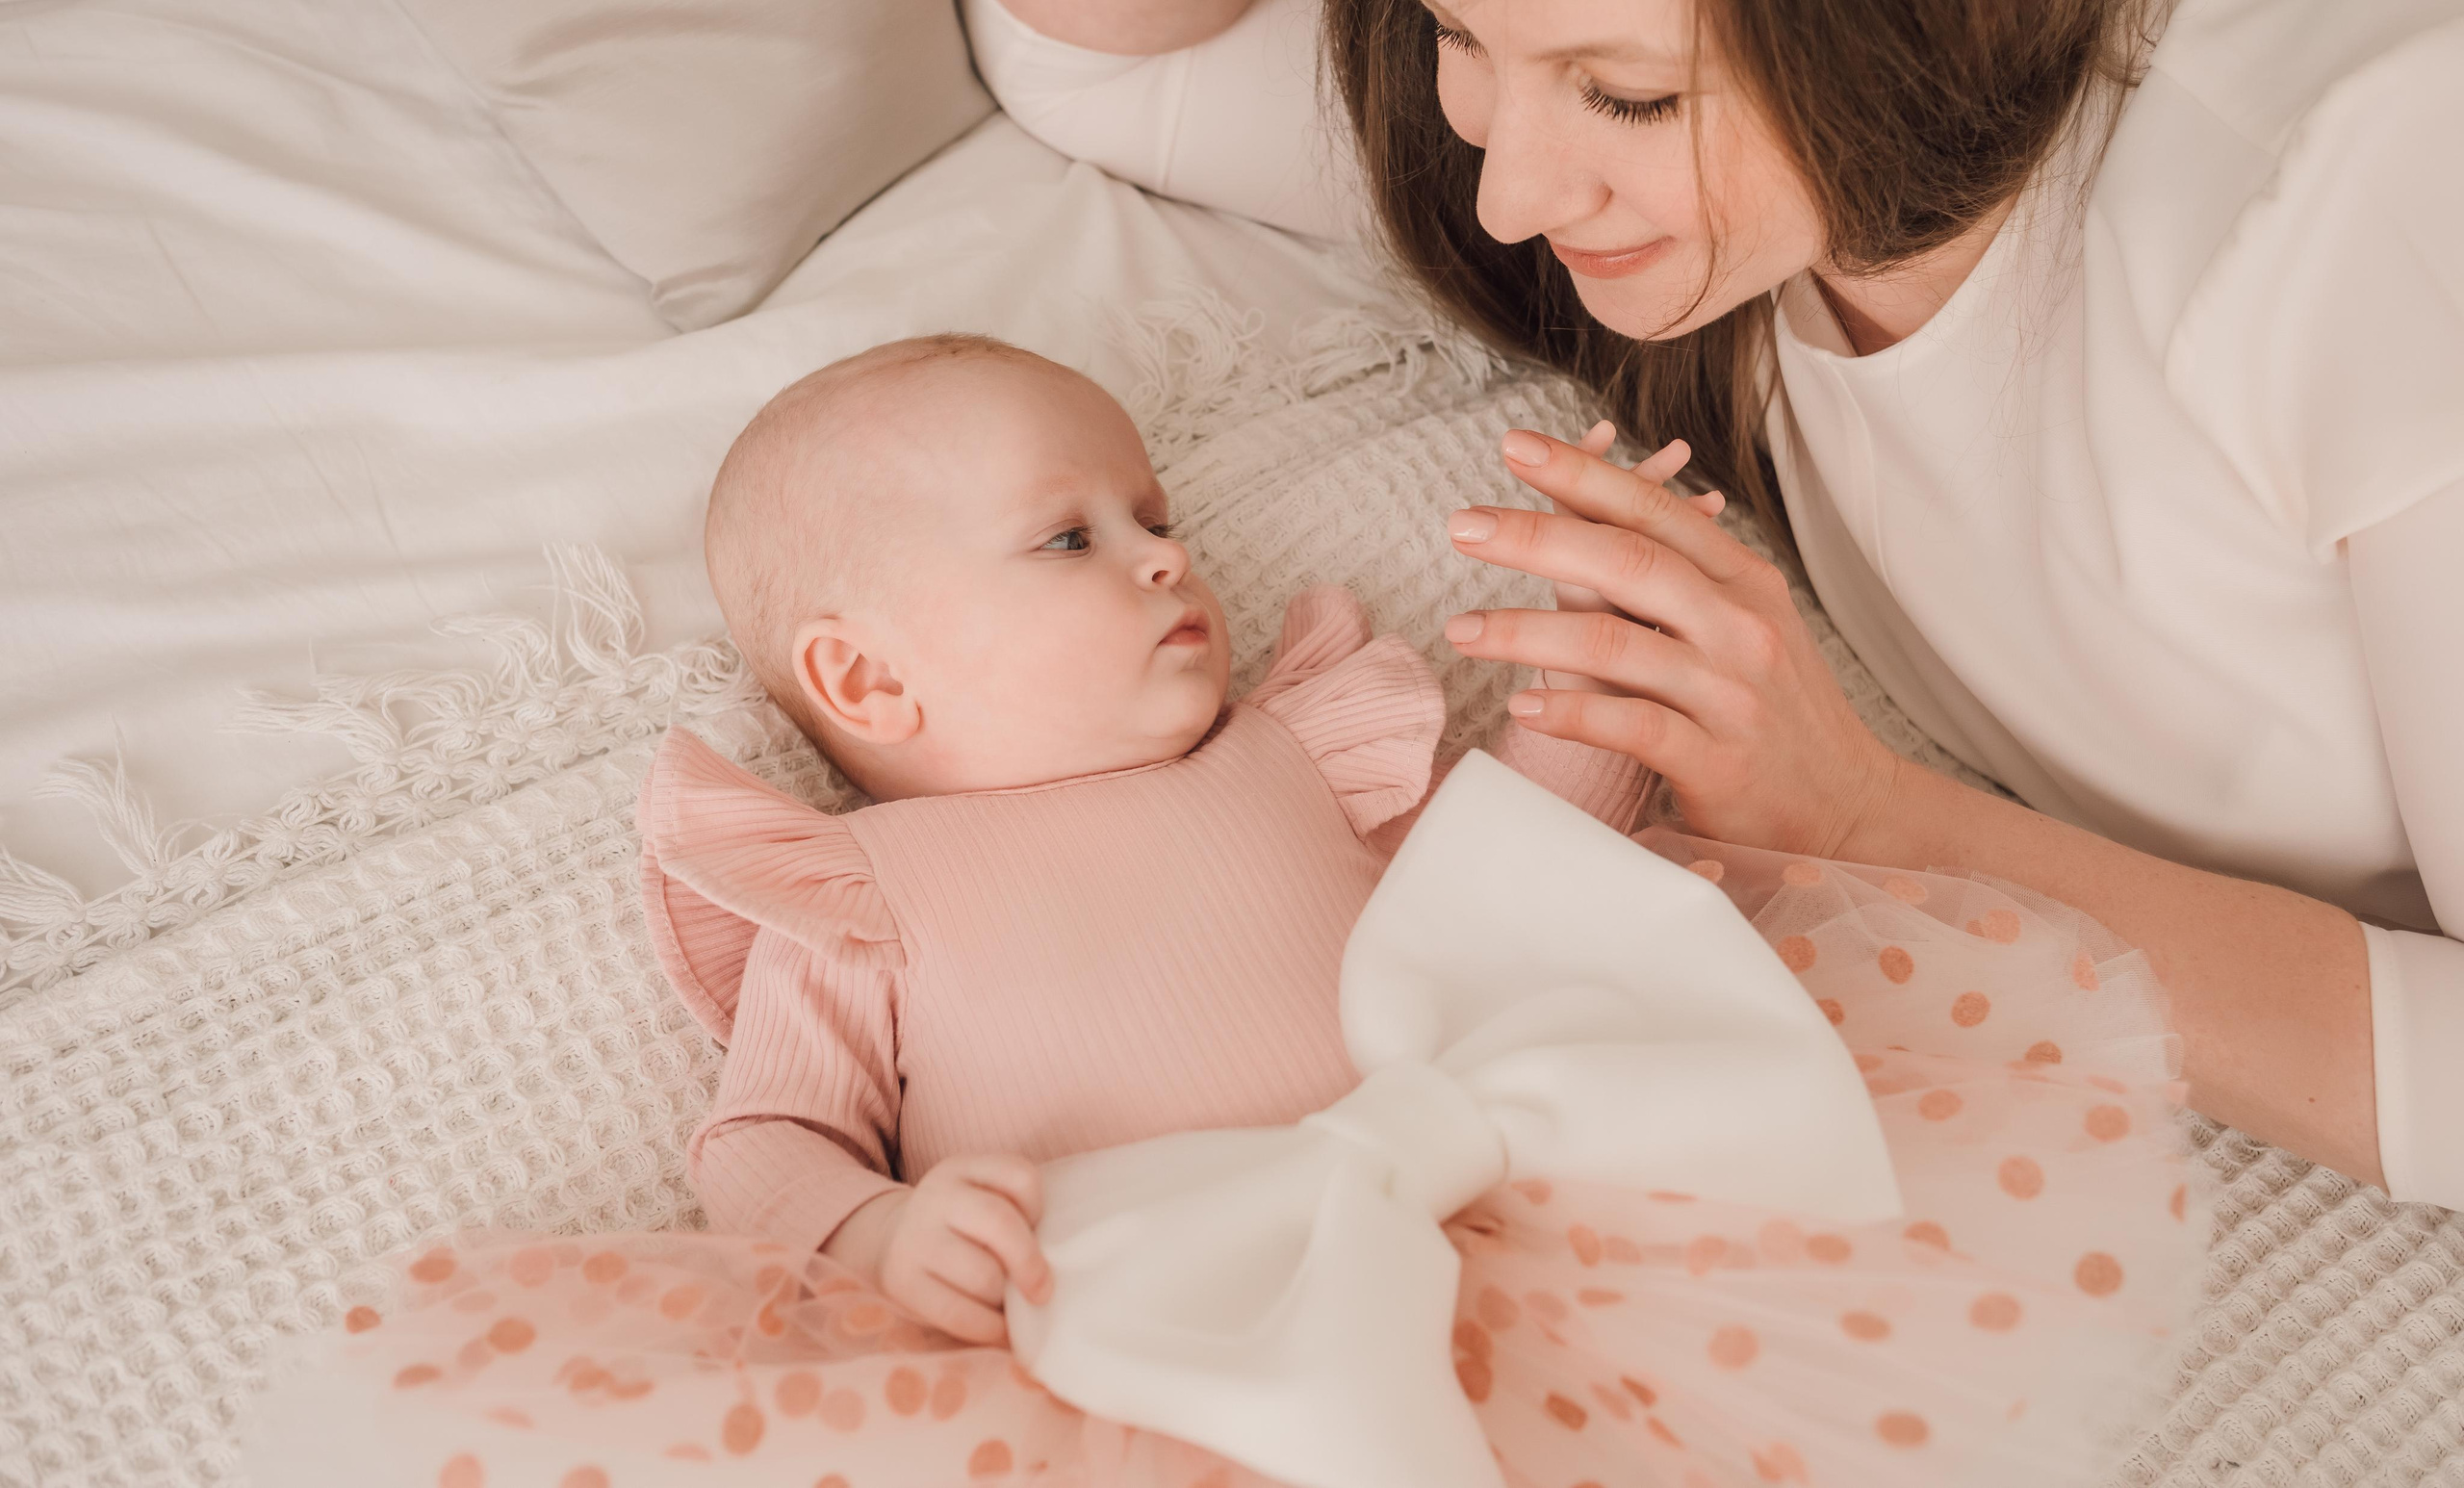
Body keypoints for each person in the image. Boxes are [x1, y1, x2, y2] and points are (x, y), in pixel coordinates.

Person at [245, 335, 2201, 1488]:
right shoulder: (860, 893)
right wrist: (884, 1222)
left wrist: (1603, 676)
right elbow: (762, 1140)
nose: (1163, 549)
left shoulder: (1298, 745)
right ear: (866, 683)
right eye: (1068, 535)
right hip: (1111, 1355)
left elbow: (1513, 894)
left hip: (1491, 1264)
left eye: (1153, 506)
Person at [962, 0, 2464, 1210]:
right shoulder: (1664, 131)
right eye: (1456, 35)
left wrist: (1868, 821)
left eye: (1629, 95)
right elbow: (1073, 43)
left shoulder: (2375, 189)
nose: (1506, 198)